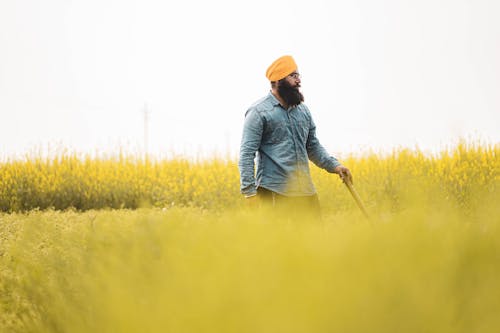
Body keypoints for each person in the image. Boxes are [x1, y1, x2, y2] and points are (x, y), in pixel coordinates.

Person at [238, 55, 352, 217]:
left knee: (316, 241)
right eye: (293, 76)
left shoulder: (303, 111)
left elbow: (312, 146)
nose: (298, 81)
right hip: (273, 192)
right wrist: (249, 193)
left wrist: (335, 166)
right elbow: (246, 154)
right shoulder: (258, 112)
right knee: (279, 243)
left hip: (306, 191)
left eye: (298, 75)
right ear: (277, 80)